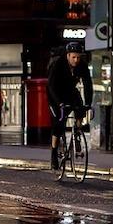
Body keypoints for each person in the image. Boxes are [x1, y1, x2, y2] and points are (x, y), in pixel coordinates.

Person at [46, 41, 93, 169]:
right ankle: (54, 153)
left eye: (78, 57)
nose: (76, 60)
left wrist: (88, 103)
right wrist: (59, 103)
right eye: (73, 57)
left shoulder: (82, 65)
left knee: (80, 107)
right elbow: (51, 86)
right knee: (58, 123)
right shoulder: (58, 64)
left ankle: (77, 133)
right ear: (68, 55)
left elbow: (88, 84)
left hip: (70, 91)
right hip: (55, 94)